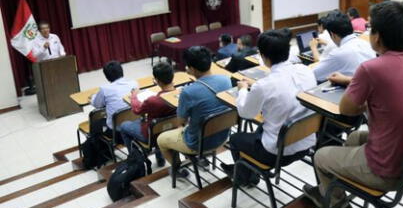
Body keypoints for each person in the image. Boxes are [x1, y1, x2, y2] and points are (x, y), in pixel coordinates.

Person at [303, 1, 403, 208]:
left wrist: (358, 87)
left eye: (371, 28)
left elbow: (347, 109)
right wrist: (352, 81)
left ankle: (340, 206)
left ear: (378, 36)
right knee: (354, 137)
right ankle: (342, 185)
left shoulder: (371, 69)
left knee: (320, 156)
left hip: (389, 171)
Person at [221, 29, 317, 186]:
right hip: (307, 141)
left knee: (236, 139)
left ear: (263, 56)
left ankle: (246, 178)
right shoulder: (305, 70)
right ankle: (245, 170)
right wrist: (258, 87)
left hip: (277, 152)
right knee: (259, 130)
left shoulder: (264, 86)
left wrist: (243, 89)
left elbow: (245, 113)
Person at [157, 46, 232, 179]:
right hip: (222, 136)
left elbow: (181, 121)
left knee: (161, 139)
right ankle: (201, 159)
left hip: (197, 143)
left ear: (191, 69)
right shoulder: (226, 79)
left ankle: (178, 169)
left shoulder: (188, 92)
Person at [118, 61, 176, 166]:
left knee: (123, 126)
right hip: (171, 129)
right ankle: (160, 159)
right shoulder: (178, 94)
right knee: (156, 122)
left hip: (151, 135)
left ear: (157, 81)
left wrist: (134, 96)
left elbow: (136, 110)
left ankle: (135, 160)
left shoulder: (153, 101)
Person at [310, 10, 376, 82]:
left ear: (332, 34)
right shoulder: (366, 43)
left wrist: (313, 48)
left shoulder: (338, 53)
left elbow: (314, 74)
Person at [91, 61, 138, 136]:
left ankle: (98, 145)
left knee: (95, 121)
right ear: (122, 71)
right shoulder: (134, 83)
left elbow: (97, 105)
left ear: (107, 77)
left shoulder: (104, 89)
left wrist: (92, 97)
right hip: (135, 127)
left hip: (117, 133)